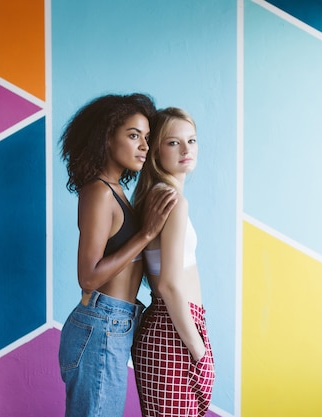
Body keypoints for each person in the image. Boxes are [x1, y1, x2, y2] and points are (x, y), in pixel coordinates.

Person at [58, 93, 178, 417]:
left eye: (147, 138)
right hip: (101, 326)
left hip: (114, 324)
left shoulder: (118, 190)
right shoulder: (99, 191)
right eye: (133, 135)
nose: (143, 145)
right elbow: (88, 277)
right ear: (107, 138)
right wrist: (146, 234)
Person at [132, 107, 215, 417]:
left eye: (191, 140)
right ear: (155, 151)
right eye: (173, 143)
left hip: (167, 327)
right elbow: (168, 284)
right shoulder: (174, 201)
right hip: (175, 328)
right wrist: (198, 350)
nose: (186, 150)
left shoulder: (155, 196)